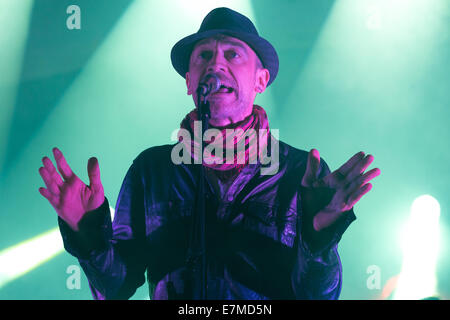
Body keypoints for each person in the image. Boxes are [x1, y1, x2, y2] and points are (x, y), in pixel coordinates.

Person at [38, 7, 380, 300]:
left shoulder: (299, 170)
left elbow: (319, 295)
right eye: (204, 56)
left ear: (260, 80)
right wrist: (87, 232)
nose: (216, 65)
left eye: (233, 54)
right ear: (189, 81)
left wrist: (321, 232)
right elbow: (115, 288)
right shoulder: (152, 169)